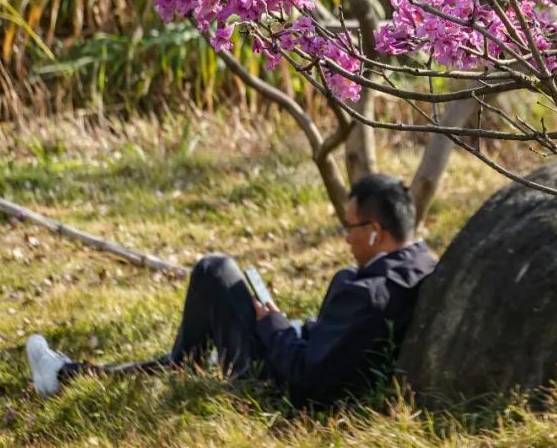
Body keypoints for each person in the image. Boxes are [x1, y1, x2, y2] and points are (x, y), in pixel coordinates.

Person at [25, 173, 437, 406]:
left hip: (276, 389)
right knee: (188, 349)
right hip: (317, 356)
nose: (346, 237)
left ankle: (65, 375)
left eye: (350, 227)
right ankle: (85, 371)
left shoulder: (365, 292)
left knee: (214, 270)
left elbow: (303, 377)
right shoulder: (422, 264)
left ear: (374, 232)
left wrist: (274, 325)